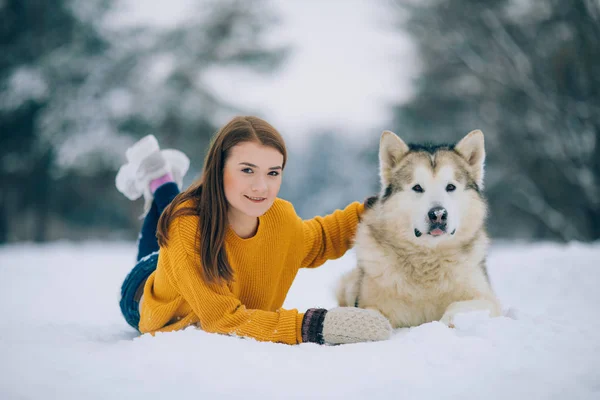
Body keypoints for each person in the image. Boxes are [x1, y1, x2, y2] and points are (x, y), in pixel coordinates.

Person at [116, 116, 392, 345]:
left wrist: (374, 210)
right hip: (148, 295)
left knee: (179, 212)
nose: (261, 187)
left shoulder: (280, 217)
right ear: (218, 169)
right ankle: (160, 179)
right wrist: (314, 325)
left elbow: (319, 239)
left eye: (273, 173)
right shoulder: (186, 228)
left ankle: (161, 179)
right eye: (247, 170)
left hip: (182, 259)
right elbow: (222, 319)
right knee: (177, 214)